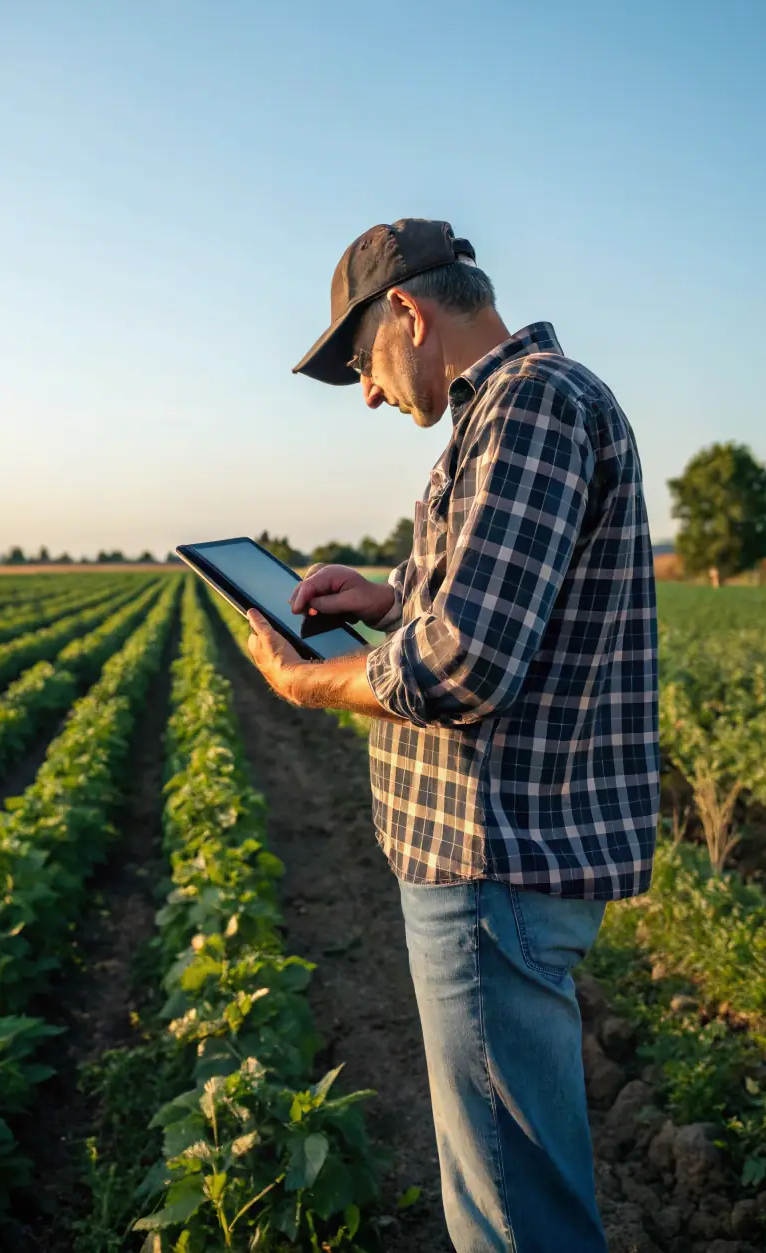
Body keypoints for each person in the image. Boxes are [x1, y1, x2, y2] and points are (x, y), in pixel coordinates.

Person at [244, 218, 659, 1253]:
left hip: (490, 858)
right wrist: (389, 597)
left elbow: (460, 665)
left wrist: (305, 686)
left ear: (406, 312)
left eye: (363, 368)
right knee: (508, 1184)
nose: (373, 395)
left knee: (508, 1212)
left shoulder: (529, 407)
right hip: (495, 856)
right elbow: (503, 609)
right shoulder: (516, 411)